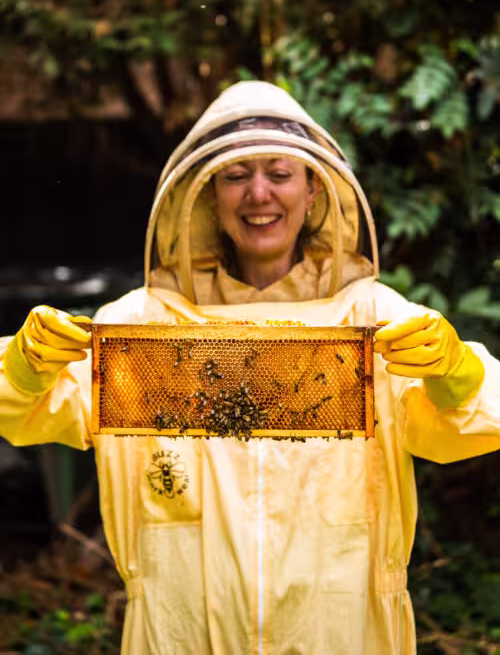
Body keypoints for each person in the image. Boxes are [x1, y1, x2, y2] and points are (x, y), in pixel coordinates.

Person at [1, 81, 500, 655]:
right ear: (208, 193)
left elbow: (477, 419)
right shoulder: (146, 325)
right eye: (236, 175)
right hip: (182, 638)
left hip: (344, 635)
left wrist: (455, 371)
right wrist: (26, 366)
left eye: (279, 173)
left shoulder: (370, 318)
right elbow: (23, 409)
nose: (258, 194)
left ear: (313, 188)